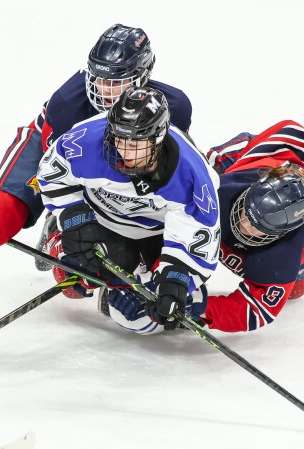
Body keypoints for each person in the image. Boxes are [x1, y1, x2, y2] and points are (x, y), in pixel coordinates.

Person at [0, 23, 193, 308]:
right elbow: (56, 176)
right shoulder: (68, 106)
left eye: (117, 82)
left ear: (143, 78)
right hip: (50, 148)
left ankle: (94, 271)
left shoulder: (171, 111)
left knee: (87, 267)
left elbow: (175, 188)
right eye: (98, 79)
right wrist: (70, 217)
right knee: (4, 210)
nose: (104, 92)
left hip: (109, 168)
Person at [36, 85, 221, 334]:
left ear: (158, 138)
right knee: (73, 283)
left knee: (149, 314)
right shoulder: (87, 141)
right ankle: (56, 235)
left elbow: (200, 236)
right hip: (100, 217)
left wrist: (176, 280)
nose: (124, 152)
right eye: (119, 140)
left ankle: (123, 282)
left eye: (135, 145)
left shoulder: (190, 176)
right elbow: (50, 174)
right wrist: (73, 219)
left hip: (155, 231)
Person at [192, 119, 304, 332]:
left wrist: (203, 309)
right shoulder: (222, 188)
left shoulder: (293, 246)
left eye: (256, 227)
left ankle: (301, 272)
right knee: (201, 165)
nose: (244, 226)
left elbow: (257, 308)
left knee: (296, 289)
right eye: (246, 214)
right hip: (271, 151)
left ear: (279, 234)